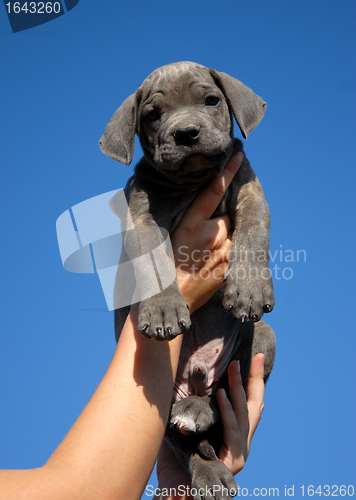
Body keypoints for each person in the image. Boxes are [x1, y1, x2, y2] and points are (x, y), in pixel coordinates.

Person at [0, 152, 265, 500]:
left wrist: (177, 488)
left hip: (215, 359)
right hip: (174, 365)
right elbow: (83, 493)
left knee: (262, 340)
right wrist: (175, 293)